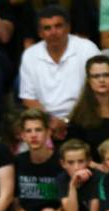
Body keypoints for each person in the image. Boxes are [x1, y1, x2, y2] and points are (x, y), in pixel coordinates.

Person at [19, 4, 99, 140]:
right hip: (46, 121)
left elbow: (97, 89)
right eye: (47, 28)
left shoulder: (87, 48)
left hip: (83, 116)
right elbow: (28, 99)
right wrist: (50, 121)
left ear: (68, 28)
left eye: (58, 26)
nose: (53, 32)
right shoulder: (30, 55)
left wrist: (67, 121)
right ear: (40, 33)